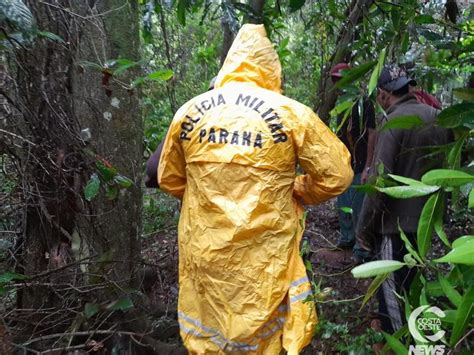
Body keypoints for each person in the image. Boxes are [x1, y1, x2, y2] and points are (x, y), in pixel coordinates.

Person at [158, 24, 353, 354]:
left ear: (229, 64)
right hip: (265, 253)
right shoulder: (292, 114)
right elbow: (336, 176)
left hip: (205, 250)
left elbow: (168, 178)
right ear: (271, 68)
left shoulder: (189, 112)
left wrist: (205, 198)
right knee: (263, 331)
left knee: (208, 330)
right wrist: (298, 189)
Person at [356, 64, 451, 333]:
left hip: (395, 223)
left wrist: (364, 227)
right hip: (427, 219)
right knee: (410, 281)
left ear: (385, 95)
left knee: (391, 292)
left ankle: (397, 341)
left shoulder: (392, 122)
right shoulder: (437, 116)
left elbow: (380, 181)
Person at [330, 63, 376, 262]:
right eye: (336, 80)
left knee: (358, 207)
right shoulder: (342, 102)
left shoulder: (363, 102)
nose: (339, 84)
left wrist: (368, 164)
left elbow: (373, 133)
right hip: (344, 164)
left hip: (359, 163)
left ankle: (361, 249)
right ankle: (346, 239)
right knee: (343, 204)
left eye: (342, 79)